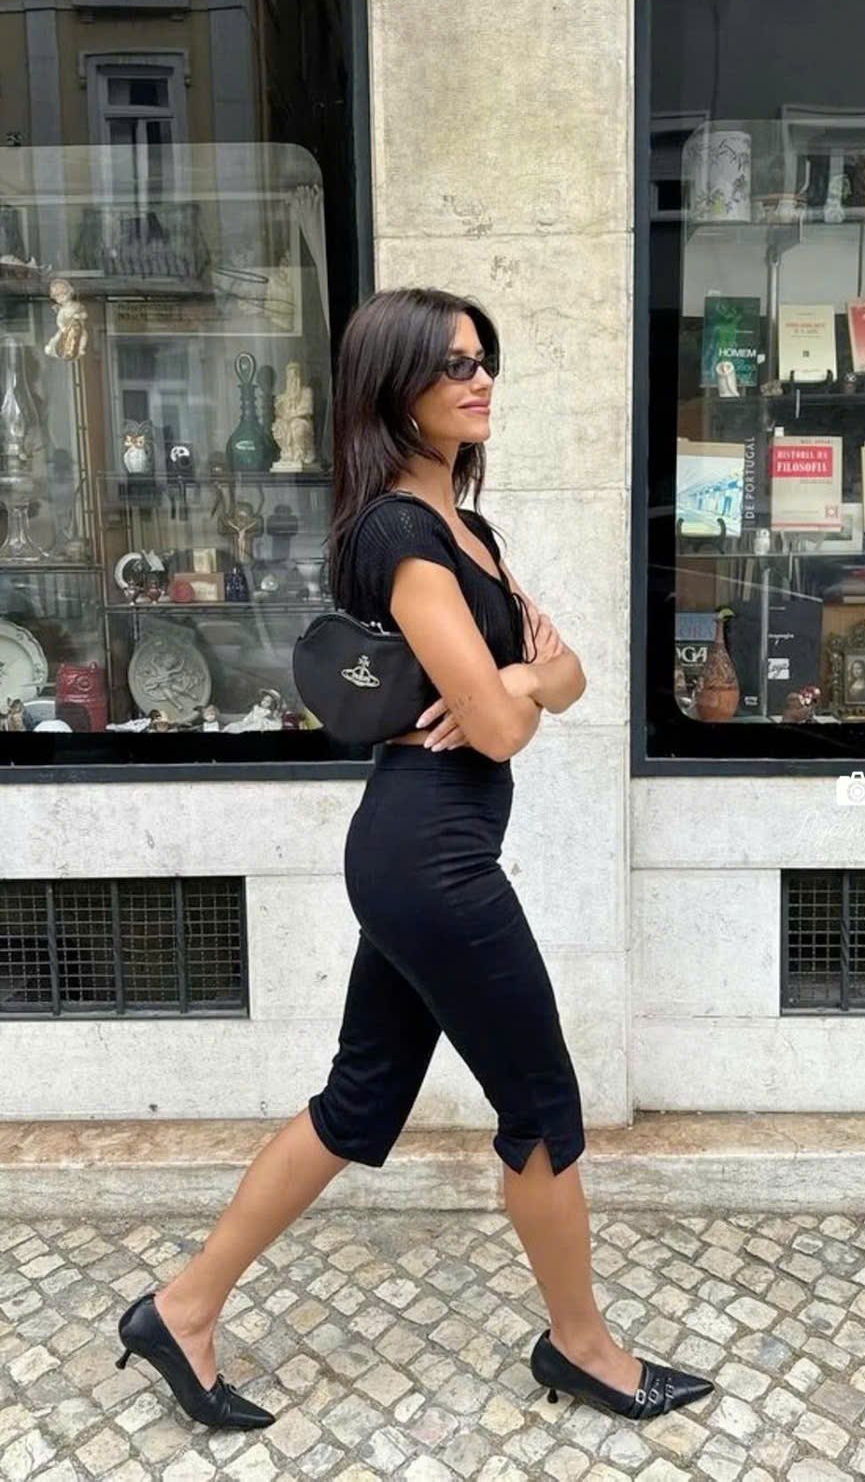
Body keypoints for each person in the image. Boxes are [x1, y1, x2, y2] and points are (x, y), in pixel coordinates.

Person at [114, 286, 715, 1431]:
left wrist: (519, 679)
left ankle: (179, 1312)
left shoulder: (467, 533)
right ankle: (584, 1349)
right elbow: (497, 730)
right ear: (396, 391)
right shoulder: (397, 535)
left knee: (358, 1101)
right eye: (451, 365)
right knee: (542, 1106)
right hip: (431, 860)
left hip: (423, 854)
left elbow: (568, 675)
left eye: (483, 359)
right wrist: (514, 692)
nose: (479, 379)